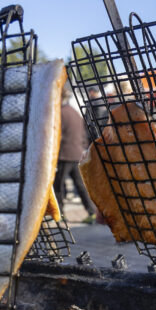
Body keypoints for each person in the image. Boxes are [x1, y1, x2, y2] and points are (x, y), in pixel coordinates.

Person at [55, 86, 96, 224]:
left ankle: (59, 214)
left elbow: (56, 135)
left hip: (64, 155)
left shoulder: (60, 113)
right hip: (77, 154)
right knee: (80, 185)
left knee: (58, 185)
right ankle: (91, 212)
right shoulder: (74, 113)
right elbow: (83, 134)